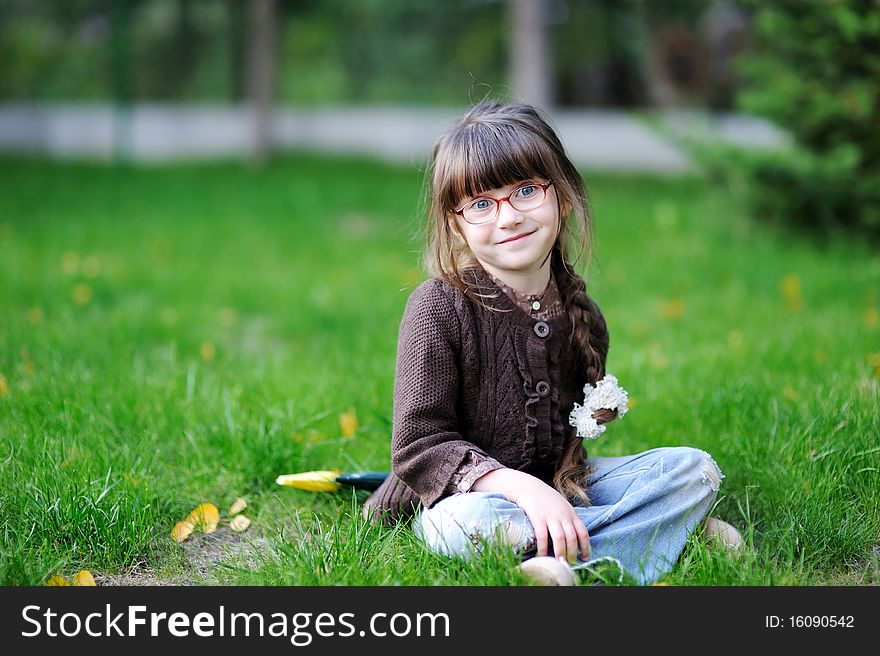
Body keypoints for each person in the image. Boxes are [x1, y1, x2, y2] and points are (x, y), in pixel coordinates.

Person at [363, 100, 743, 585]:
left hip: (563, 487)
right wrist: (519, 486)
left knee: (695, 470)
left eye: (525, 191)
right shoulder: (438, 307)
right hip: (471, 498)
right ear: (456, 222)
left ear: (561, 198)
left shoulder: (582, 314)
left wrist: (591, 418)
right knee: (454, 527)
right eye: (481, 203)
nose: (508, 217)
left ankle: (561, 557)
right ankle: (652, 535)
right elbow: (419, 444)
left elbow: (566, 436)